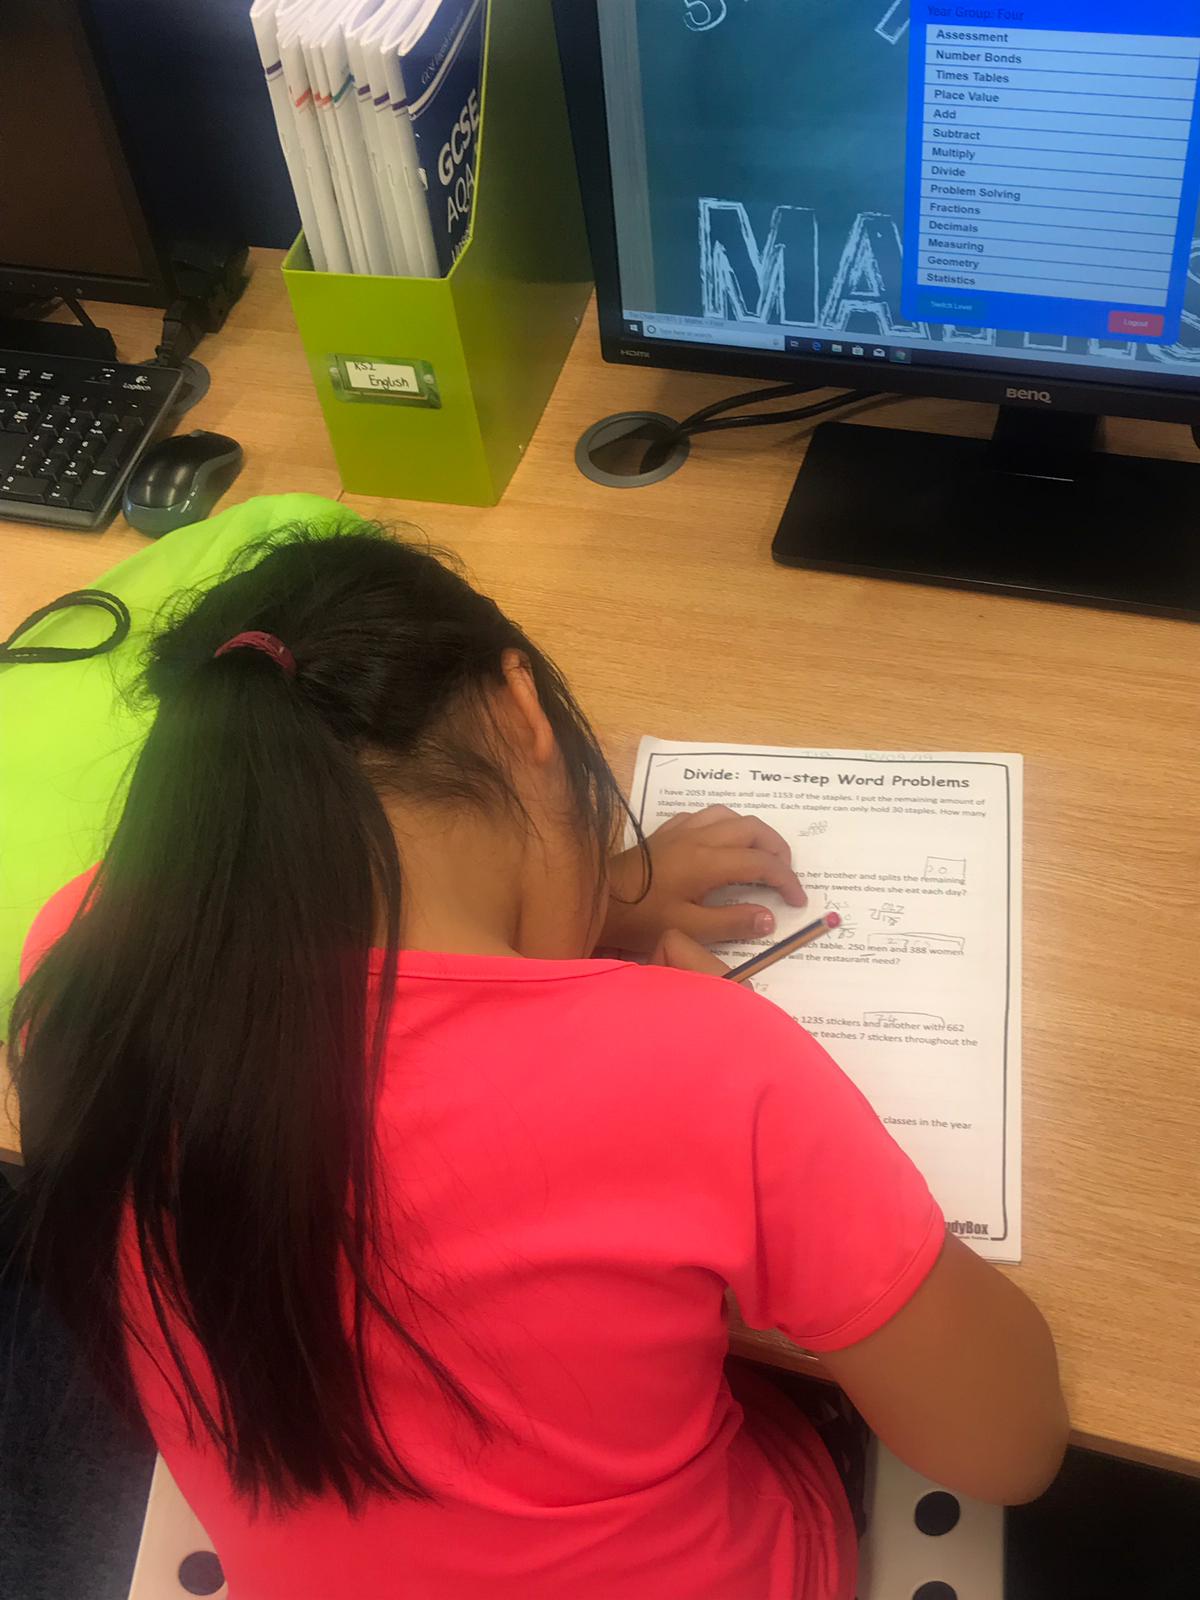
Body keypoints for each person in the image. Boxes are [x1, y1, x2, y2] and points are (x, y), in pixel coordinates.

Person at [8, 525, 1067, 1600]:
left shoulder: (83, 966)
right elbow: (1010, 1448)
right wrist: (711, 1045)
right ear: (524, 708)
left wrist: (596, 893)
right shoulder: (705, 1068)